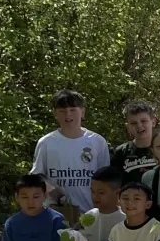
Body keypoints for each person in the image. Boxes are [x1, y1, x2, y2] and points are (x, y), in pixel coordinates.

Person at [31, 89, 109, 220]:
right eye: (62, 111)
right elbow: (36, 176)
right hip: (55, 214)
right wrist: (52, 189)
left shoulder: (97, 142)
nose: (68, 115)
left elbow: (106, 180)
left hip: (91, 215)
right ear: (55, 114)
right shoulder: (46, 143)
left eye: (73, 110)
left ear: (82, 112)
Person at [78, 166, 125, 241]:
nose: (95, 197)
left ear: (117, 193)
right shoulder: (89, 215)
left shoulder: (125, 219)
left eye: (101, 193)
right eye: (92, 191)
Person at [111, 100, 159, 179]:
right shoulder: (121, 152)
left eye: (143, 121)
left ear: (153, 122)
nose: (139, 126)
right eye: (133, 123)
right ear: (127, 126)